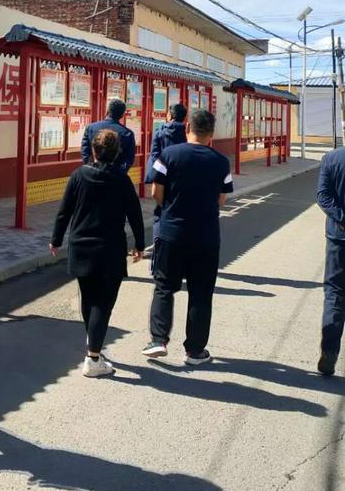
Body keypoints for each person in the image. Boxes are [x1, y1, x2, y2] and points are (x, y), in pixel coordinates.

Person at [50, 129, 145, 376]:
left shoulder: (78, 175)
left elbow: (64, 210)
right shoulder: (122, 180)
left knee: (88, 298)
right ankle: (93, 358)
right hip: (110, 249)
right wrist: (140, 244)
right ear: (117, 153)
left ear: (93, 150)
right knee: (103, 304)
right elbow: (135, 214)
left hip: (81, 245)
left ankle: (93, 341)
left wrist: (56, 239)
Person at [144, 109, 233, 366]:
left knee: (164, 287)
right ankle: (195, 351)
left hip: (171, 233)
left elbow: (155, 192)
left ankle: (158, 340)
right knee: (201, 293)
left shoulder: (168, 155)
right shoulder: (221, 162)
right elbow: (222, 199)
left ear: (187, 128)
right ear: (211, 134)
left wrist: (169, 208)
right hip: (206, 236)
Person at [142, 103, 188, 258]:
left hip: (163, 177)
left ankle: (159, 247)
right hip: (181, 178)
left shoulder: (160, 132)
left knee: (161, 212)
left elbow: (154, 155)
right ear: (184, 117)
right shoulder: (187, 132)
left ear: (170, 115)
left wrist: (152, 177)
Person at [316, 146, 345, 376]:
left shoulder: (332, 158)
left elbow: (323, 196)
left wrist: (342, 218)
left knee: (335, 293)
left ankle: (329, 351)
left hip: (338, 237)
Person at [80, 98, 136, 172]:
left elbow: (85, 151)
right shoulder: (127, 133)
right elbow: (129, 159)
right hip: (115, 175)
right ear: (122, 114)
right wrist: (120, 173)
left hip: (93, 173)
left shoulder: (91, 128)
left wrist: (91, 168)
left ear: (107, 110)